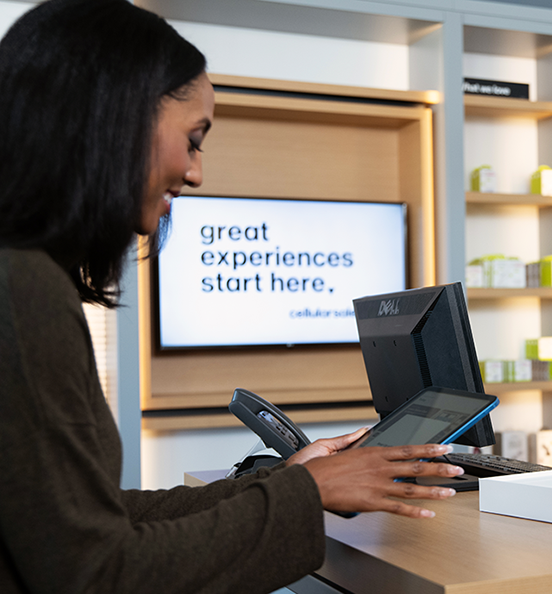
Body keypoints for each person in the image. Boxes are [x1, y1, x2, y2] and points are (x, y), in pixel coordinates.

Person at [0, 1, 464, 592]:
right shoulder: (23, 290)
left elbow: (94, 519)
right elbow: (96, 571)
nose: (195, 173)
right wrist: (308, 492)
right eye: (193, 140)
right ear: (110, 120)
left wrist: (285, 484)